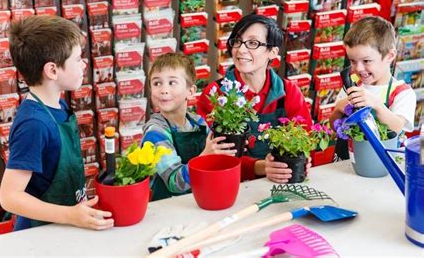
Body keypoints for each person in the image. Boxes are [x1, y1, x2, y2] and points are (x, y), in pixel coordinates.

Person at [0, 16, 114, 231]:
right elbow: (9, 197)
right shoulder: (34, 124)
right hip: (39, 235)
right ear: (52, 70)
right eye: (78, 58)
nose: (84, 63)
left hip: (64, 228)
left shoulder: (58, 105)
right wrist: (70, 214)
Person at [197, 13, 313, 184]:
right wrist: (260, 167)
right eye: (237, 41)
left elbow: (306, 140)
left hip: (277, 185)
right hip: (228, 185)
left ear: (273, 52)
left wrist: (302, 160)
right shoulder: (215, 94)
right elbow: (215, 157)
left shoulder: (289, 92)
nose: (241, 50)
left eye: (252, 43)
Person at [142, 53, 236, 200]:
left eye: (172, 82)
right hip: (167, 208)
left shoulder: (198, 122)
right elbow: (175, 182)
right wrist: (206, 156)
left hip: (198, 201)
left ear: (190, 91)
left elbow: (216, 162)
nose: (163, 90)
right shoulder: (155, 132)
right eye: (157, 83)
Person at [330, 16, 416, 136]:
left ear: (389, 56)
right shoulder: (353, 84)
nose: (358, 68)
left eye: (366, 61)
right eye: (353, 61)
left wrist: (377, 105)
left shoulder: (402, 93)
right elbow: (334, 126)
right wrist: (340, 107)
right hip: (348, 153)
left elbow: (397, 128)